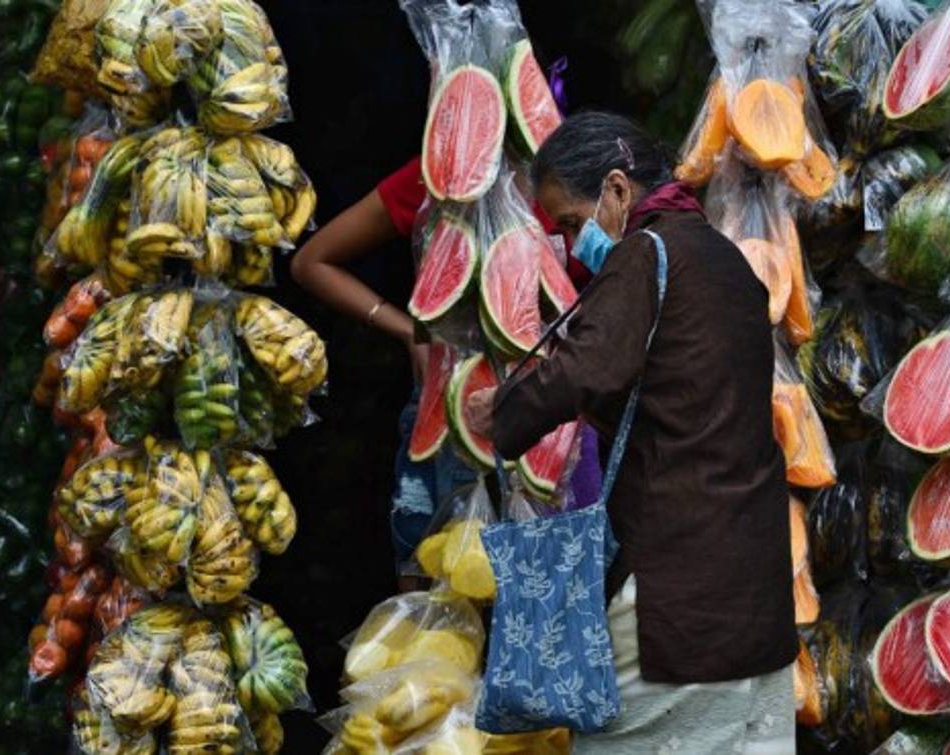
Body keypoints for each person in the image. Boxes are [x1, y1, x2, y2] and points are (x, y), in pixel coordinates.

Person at [466, 112, 797, 754]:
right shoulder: (725, 260)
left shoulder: (645, 253)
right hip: (756, 597)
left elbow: (585, 368)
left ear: (618, 190)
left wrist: (502, 412)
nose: (569, 245)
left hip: (678, 601)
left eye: (568, 222)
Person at [291, 156, 599, 590]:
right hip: (444, 412)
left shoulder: (570, 172)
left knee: (546, 596)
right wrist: (408, 331)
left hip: (549, 419)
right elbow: (311, 262)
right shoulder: (436, 172)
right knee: (432, 593)